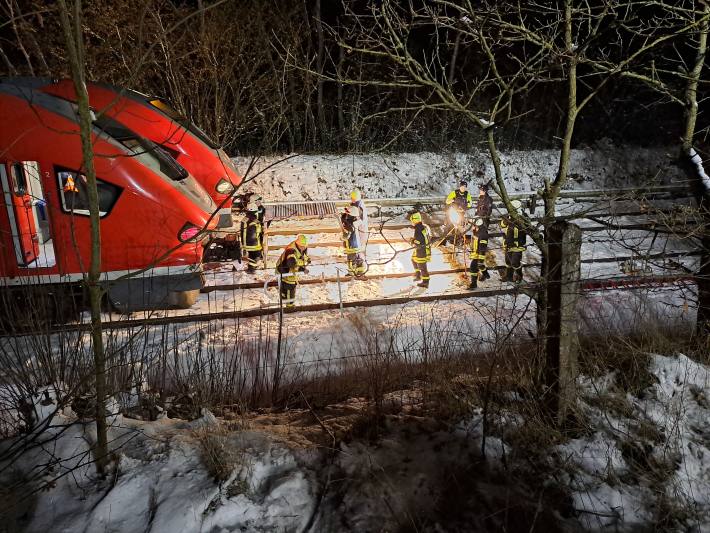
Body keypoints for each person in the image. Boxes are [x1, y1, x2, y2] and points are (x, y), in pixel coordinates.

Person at [275, 233, 311, 307]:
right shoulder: (291, 251)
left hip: (291, 271)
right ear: (298, 244)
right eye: (302, 246)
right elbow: (291, 264)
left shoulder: (301, 247)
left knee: (289, 288)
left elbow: (302, 256)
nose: (304, 248)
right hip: (284, 270)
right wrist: (302, 269)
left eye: (305, 246)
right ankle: (289, 306)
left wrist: (307, 260)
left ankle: (285, 298)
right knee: (289, 287)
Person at [500, 200, 526, 283]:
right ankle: (509, 276)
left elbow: (525, 228)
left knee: (515, 262)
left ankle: (519, 276)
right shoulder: (509, 216)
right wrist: (505, 220)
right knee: (508, 262)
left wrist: (516, 221)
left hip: (518, 245)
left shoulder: (523, 217)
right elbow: (502, 225)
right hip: (509, 243)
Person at [444, 179, 473, 244]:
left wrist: (465, 205)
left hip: (462, 212)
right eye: (462, 186)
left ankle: (460, 239)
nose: (463, 188)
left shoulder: (467, 194)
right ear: (460, 187)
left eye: (464, 187)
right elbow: (447, 201)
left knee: (461, 226)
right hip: (454, 211)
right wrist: (453, 200)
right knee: (450, 224)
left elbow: (470, 203)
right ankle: (447, 239)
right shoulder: (454, 192)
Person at [341, 207, 365, 277]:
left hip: (352, 246)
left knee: (351, 260)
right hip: (356, 244)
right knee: (357, 258)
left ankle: (352, 273)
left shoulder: (351, 224)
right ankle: (360, 272)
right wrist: (343, 217)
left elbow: (347, 234)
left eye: (347, 214)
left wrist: (343, 219)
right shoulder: (356, 221)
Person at [409, 211, 432, 288]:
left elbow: (418, 242)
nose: (411, 222)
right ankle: (418, 275)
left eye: (411, 220)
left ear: (414, 220)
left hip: (421, 251)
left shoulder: (418, 229)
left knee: (422, 266)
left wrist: (412, 241)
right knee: (413, 259)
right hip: (422, 249)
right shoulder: (423, 227)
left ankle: (426, 282)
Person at [240, 203, 263, 273]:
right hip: (254, 245)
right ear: (255, 211)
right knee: (256, 255)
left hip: (245, 244)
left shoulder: (244, 219)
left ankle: (251, 267)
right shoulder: (256, 221)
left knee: (251, 255)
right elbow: (258, 232)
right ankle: (252, 269)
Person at [468, 218, 490, 289]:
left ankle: (474, 284)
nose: (473, 227)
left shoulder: (483, 234)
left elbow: (482, 248)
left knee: (473, 267)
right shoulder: (477, 231)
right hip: (476, 253)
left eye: (474, 225)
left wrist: (481, 260)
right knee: (476, 267)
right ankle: (485, 274)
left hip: (479, 254)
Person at [350, 189, 369, 254]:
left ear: (355, 198)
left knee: (361, 240)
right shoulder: (356, 203)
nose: (351, 199)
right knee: (358, 239)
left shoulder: (360, 206)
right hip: (359, 225)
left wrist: (355, 223)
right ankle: (358, 251)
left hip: (361, 226)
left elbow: (362, 219)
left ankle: (361, 255)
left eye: (352, 198)